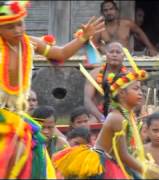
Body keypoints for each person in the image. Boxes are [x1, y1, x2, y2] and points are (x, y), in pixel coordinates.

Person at [0, 1, 104, 178]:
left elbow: (61, 53)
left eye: (20, 24)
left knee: (30, 155)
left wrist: (83, 38)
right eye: (10, 27)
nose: (18, 30)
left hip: (18, 117)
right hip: (4, 119)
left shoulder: (30, 43)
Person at [53, 56, 159, 178]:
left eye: (140, 89)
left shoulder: (128, 115)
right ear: (122, 93)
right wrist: (146, 170)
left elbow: (127, 152)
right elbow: (123, 155)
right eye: (136, 89)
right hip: (99, 164)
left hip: (112, 159)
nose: (140, 92)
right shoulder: (117, 118)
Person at [93, 0, 157, 56]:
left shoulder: (127, 24)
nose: (109, 12)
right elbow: (93, 45)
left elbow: (140, 33)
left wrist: (151, 47)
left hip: (127, 60)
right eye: (105, 10)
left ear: (116, 10)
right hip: (109, 61)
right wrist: (100, 48)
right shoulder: (100, 28)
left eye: (111, 9)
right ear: (102, 13)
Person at [84, 41, 127, 122]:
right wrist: (101, 118)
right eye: (111, 52)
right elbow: (87, 100)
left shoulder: (129, 75)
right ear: (106, 55)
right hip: (98, 115)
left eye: (118, 52)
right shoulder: (94, 74)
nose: (114, 55)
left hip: (122, 114)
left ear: (123, 55)